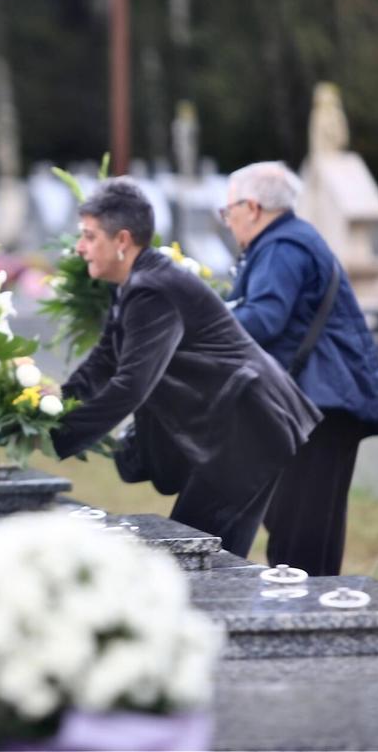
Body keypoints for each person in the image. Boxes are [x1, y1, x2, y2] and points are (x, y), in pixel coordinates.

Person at [49, 178, 321, 558]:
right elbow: (105, 359)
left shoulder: (152, 289)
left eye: (89, 236)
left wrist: (59, 432)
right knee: (200, 557)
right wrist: (52, 407)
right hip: (241, 424)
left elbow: (131, 385)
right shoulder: (134, 282)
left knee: (195, 558)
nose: (80, 247)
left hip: (249, 426)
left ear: (122, 240)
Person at [223, 162, 378, 576]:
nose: (227, 221)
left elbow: (263, 319)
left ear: (253, 208)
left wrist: (200, 321)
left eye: (228, 210)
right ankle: (310, 606)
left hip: (319, 405)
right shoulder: (288, 241)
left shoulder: (282, 247)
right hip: (322, 400)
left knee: (301, 534)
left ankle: (305, 611)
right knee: (304, 526)